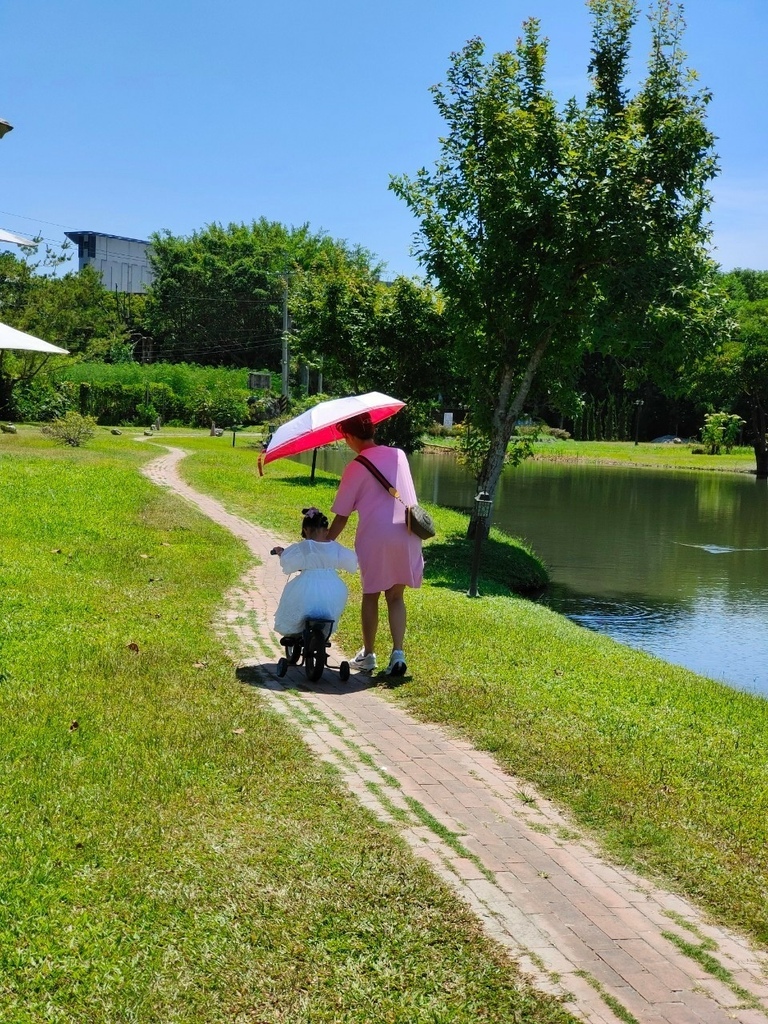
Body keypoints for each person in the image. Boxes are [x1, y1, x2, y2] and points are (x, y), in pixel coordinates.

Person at [327, 411, 424, 676]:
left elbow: (341, 517)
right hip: (407, 531)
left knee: (371, 595)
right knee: (396, 597)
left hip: (376, 537)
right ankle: (398, 654)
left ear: (348, 435)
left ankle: (368, 654)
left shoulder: (355, 466)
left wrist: (323, 542)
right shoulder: (399, 455)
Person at [272, 507, 358, 638]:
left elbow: (288, 562)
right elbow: (352, 563)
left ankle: (294, 635)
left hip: (307, 591)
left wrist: (280, 552)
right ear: (327, 530)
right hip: (333, 591)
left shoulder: (305, 547)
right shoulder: (335, 547)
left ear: (306, 530)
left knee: (292, 602)